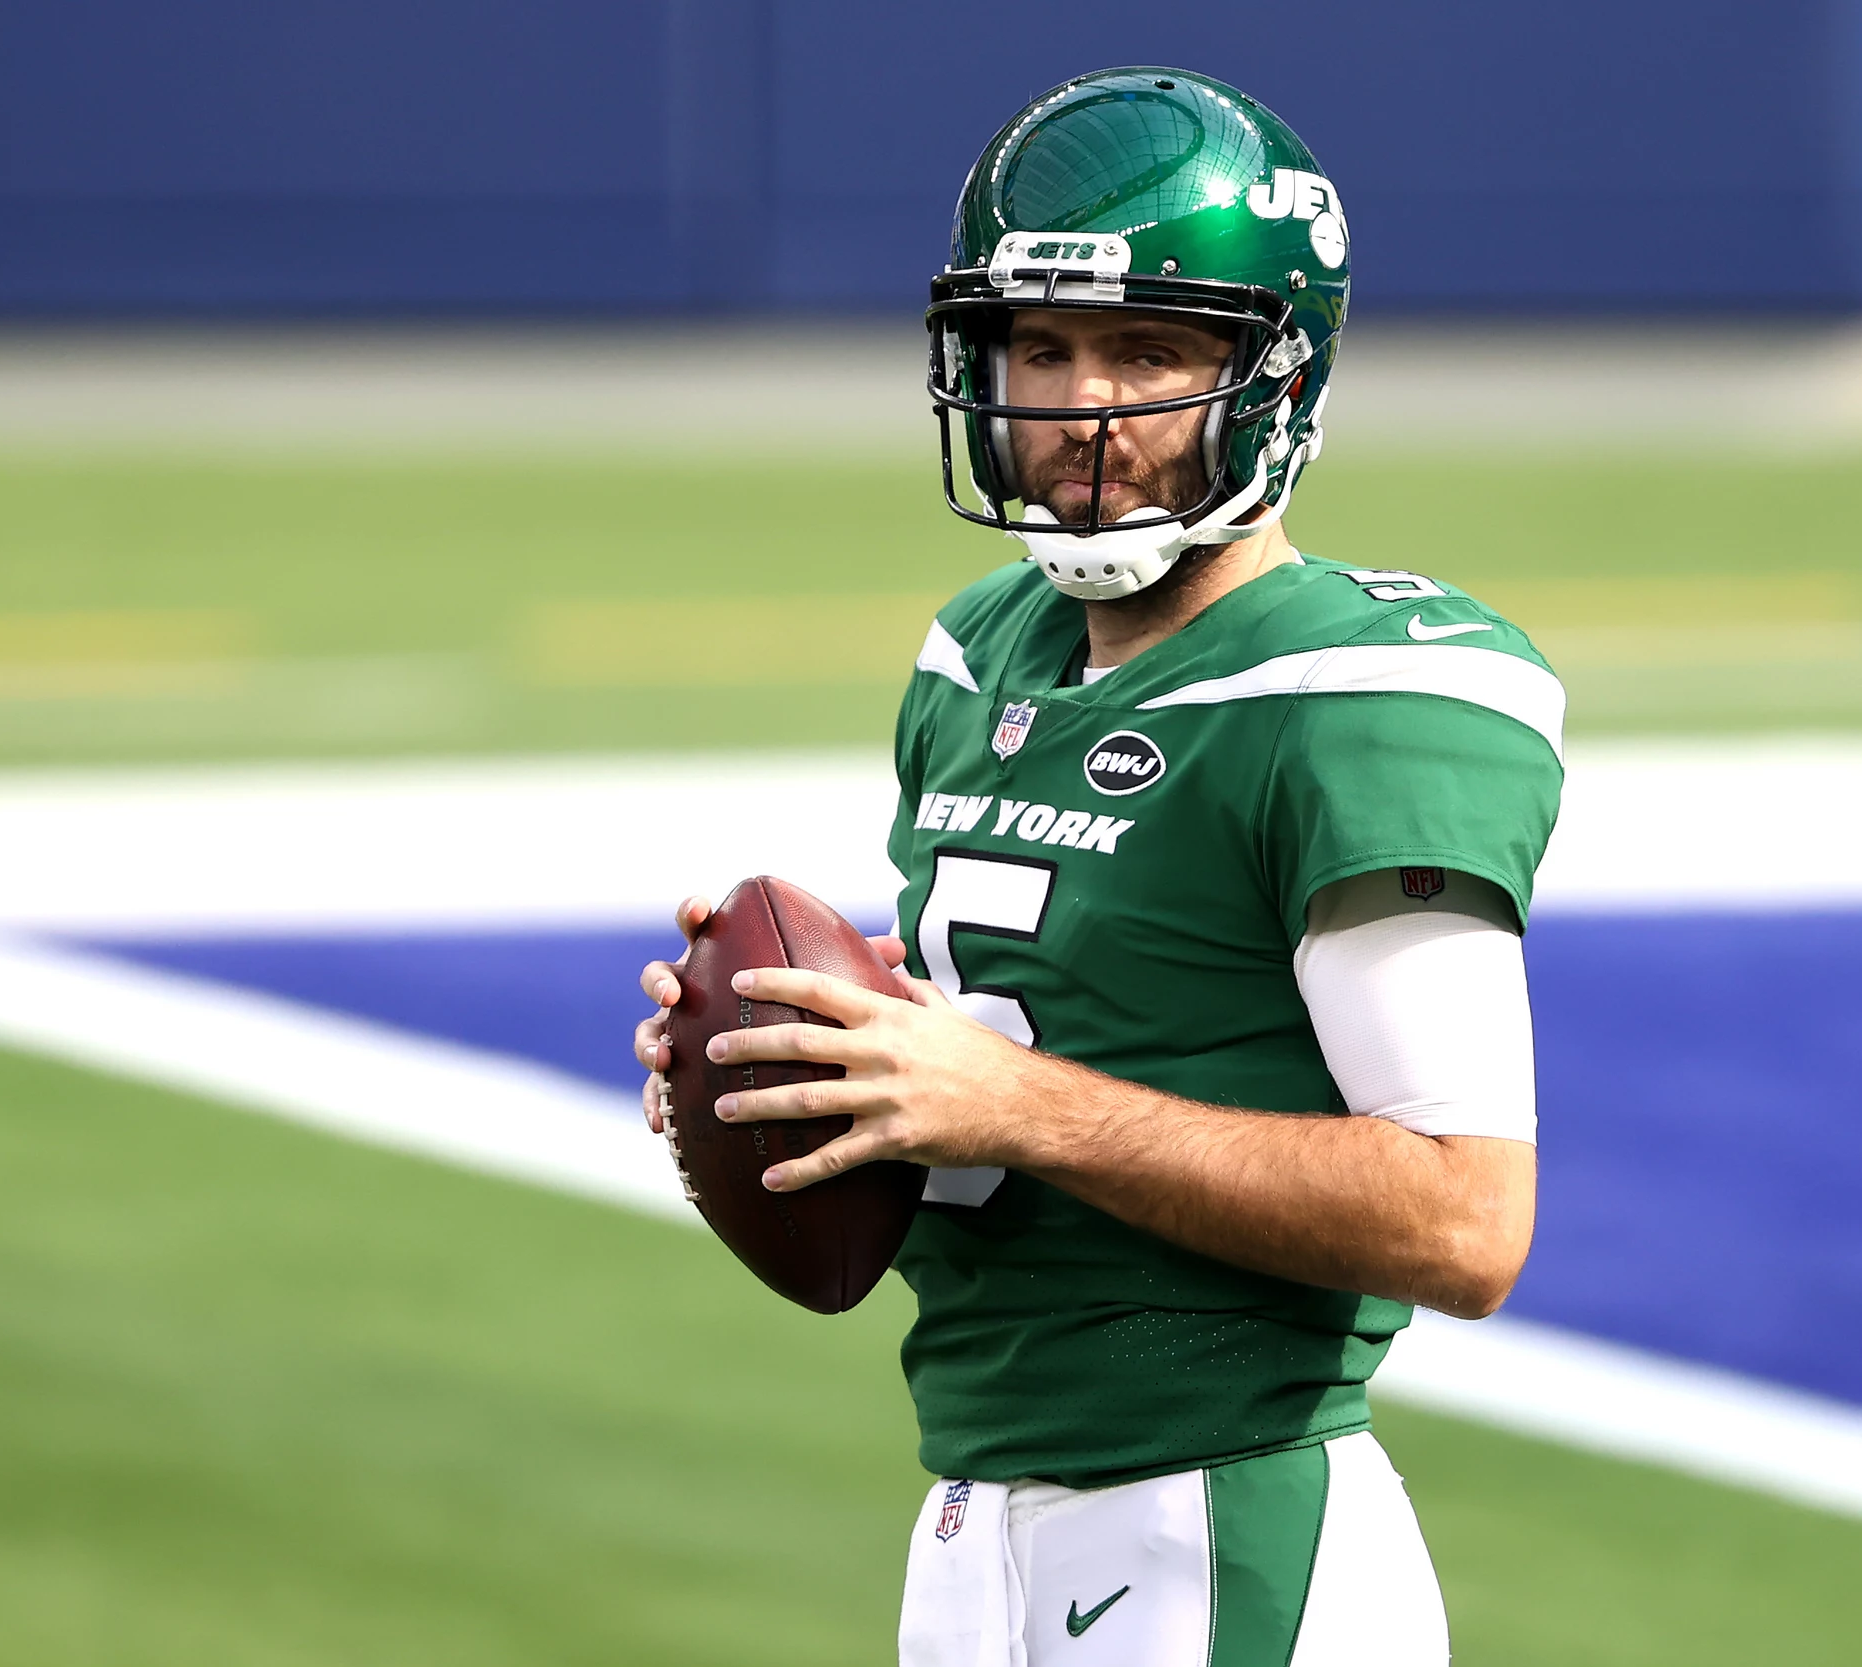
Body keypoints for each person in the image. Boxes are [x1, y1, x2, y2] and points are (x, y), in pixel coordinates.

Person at [633, 66, 1562, 1667]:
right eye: (1041, 351)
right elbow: (1031, 1031)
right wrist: (811, 1057)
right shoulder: (978, 650)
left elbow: (1465, 1219)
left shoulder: (1363, 698)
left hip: (1219, 1522)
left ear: (1271, 376)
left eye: (1149, 353)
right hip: (978, 1510)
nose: (1084, 412)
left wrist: (1009, 1107)